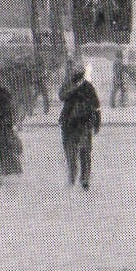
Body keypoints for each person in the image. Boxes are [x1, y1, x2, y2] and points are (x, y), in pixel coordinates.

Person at [59, 60, 101, 190]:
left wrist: (97, 122)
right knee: (78, 153)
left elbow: (96, 105)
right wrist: (97, 123)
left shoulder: (84, 86)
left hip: (78, 124)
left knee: (80, 153)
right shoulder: (79, 86)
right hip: (76, 123)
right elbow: (62, 95)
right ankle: (78, 178)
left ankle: (81, 178)